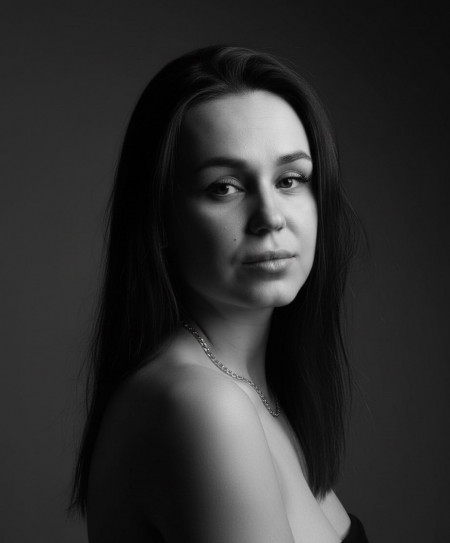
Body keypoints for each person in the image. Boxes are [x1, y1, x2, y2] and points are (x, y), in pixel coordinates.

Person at [70, 45, 369, 542]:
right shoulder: (203, 405)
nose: (270, 217)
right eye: (224, 187)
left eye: (290, 179)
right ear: (160, 218)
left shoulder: (254, 390)